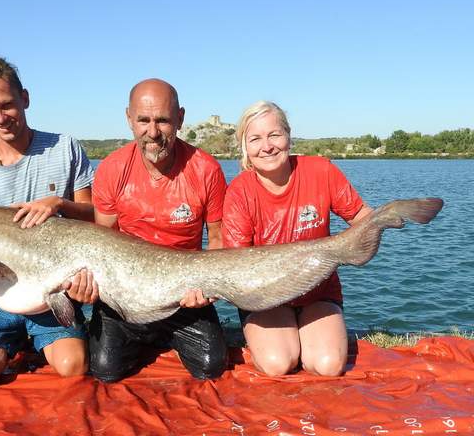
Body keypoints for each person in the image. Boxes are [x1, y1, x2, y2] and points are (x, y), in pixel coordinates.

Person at [0, 55, 98, 389]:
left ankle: (38, 336)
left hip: (53, 288)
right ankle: (12, 337)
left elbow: (95, 216)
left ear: (25, 98)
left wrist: (58, 204)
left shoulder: (64, 148)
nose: (0, 117)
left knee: (74, 366)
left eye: (7, 105)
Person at [88, 78, 228, 382]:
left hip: (184, 293)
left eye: (163, 120)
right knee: (104, 369)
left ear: (180, 118)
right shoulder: (112, 169)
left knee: (211, 365)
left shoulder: (206, 169)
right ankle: (142, 335)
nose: (152, 132)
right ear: (129, 119)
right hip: (125, 292)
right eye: (143, 120)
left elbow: (217, 238)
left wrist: (209, 289)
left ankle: (165, 335)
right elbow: (102, 244)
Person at [222, 101, 373, 377]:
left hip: (318, 293)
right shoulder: (239, 192)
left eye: (274, 135)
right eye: (255, 139)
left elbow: (362, 216)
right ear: (245, 147)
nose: (266, 146)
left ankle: (309, 328)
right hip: (265, 299)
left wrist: (373, 229)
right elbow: (235, 267)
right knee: (278, 363)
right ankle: (278, 332)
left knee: (327, 365)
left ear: (288, 135)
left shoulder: (321, 171)